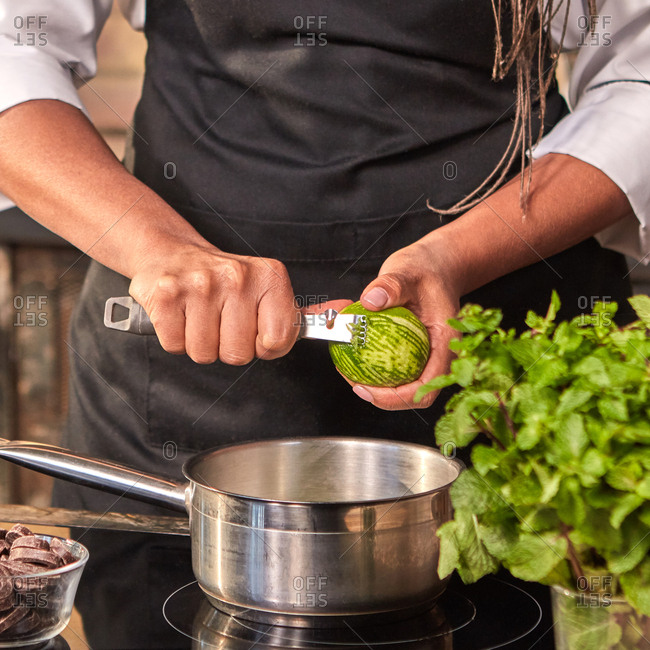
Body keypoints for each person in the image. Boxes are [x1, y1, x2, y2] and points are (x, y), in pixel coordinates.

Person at [0, 2, 648, 646]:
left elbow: (637, 80)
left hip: (500, 389)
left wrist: (456, 256)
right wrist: (159, 248)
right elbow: (13, 45)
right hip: (179, 402)